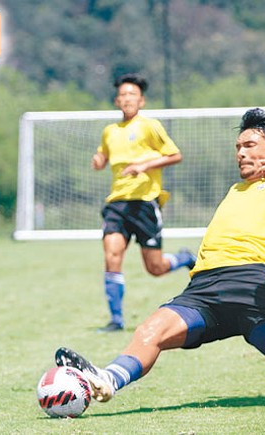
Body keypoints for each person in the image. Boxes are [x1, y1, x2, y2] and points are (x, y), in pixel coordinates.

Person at [55, 108, 265, 407]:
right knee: (150, 331)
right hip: (203, 289)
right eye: (238, 146)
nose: (240, 152)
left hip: (253, 289)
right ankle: (107, 381)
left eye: (249, 145)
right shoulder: (235, 189)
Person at [92, 73, 196, 333]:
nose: (128, 99)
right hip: (117, 203)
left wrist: (144, 165)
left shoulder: (150, 126)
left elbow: (175, 154)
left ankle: (183, 258)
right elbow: (103, 157)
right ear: (117, 101)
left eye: (133, 95)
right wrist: (98, 160)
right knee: (112, 256)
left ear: (142, 101)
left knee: (155, 268)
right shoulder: (110, 131)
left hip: (145, 203)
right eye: (123, 95)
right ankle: (116, 319)